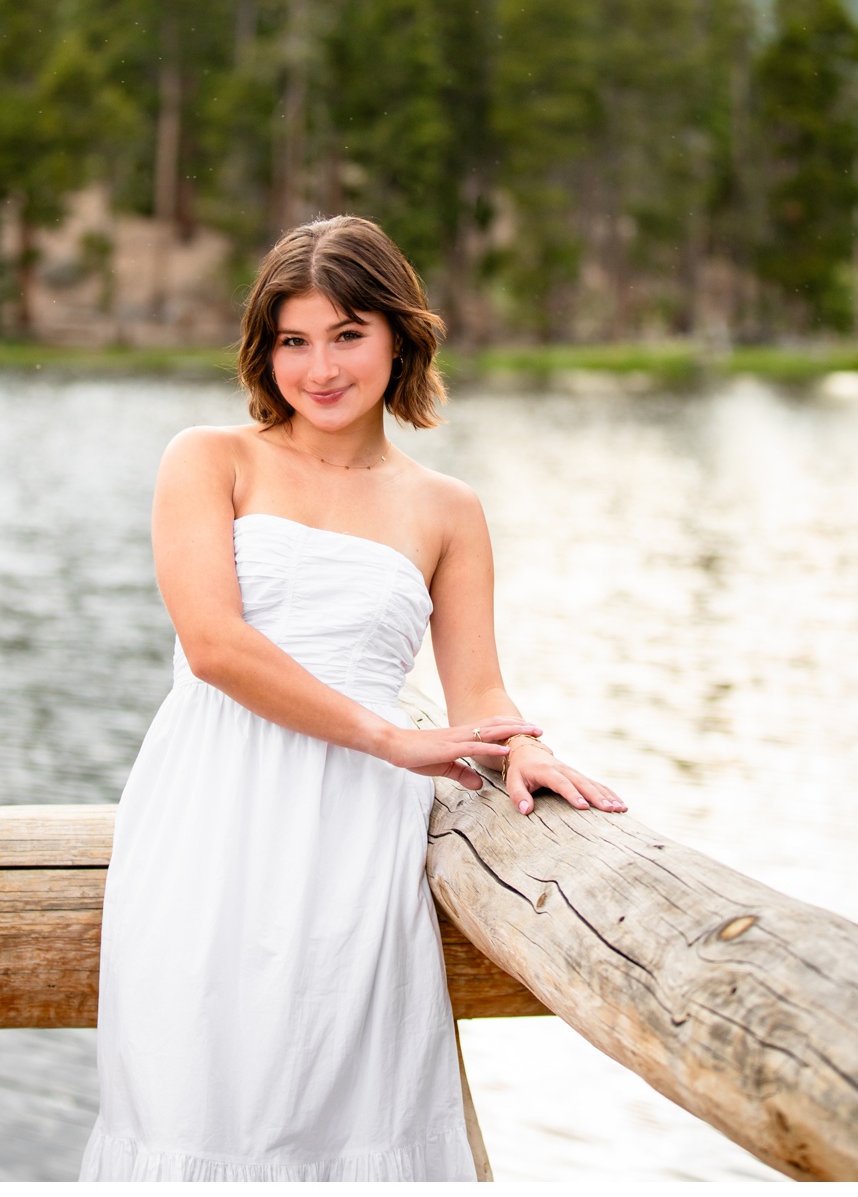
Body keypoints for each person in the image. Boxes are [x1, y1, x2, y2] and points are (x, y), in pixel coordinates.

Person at [81, 215, 626, 1181]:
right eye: (294, 339)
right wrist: (388, 737)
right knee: (192, 1104)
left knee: (346, 1105)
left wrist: (522, 745)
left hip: (355, 836)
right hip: (210, 813)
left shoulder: (447, 508)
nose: (320, 368)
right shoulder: (211, 460)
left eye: (347, 334)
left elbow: (480, 685)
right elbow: (214, 647)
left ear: (398, 338)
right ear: (265, 347)